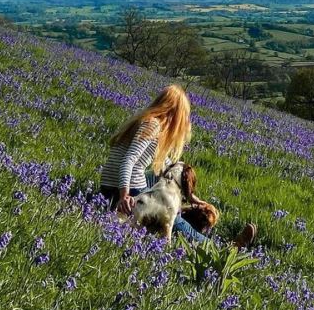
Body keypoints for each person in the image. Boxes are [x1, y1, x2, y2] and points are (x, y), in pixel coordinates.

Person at [99, 83, 256, 248]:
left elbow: (168, 167)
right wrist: (124, 196)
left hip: (109, 186)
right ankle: (223, 249)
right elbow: (128, 160)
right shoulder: (152, 125)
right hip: (123, 190)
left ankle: (189, 214)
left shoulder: (151, 123)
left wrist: (192, 197)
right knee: (171, 215)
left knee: (168, 180)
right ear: (176, 113)